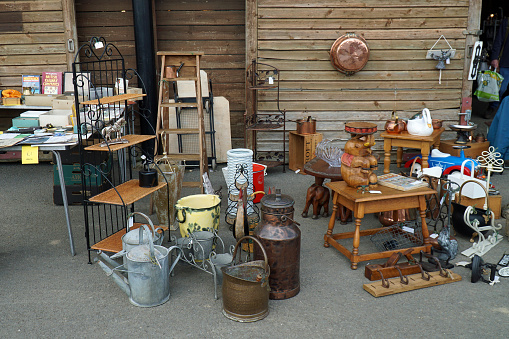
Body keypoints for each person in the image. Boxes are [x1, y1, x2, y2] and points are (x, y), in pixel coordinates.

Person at [486, 17, 509, 119]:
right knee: (500, 89)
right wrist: (495, 58)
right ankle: (493, 107)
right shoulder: (507, 21)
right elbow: (498, 40)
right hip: (506, 62)